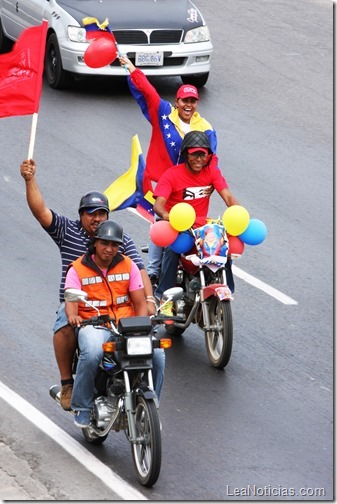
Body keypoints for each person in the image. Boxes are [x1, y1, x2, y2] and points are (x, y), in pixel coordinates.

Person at [20, 159, 161, 411]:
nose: (97, 218)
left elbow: (140, 272)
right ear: (81, 215)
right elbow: (40, 211)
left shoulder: (119, 239)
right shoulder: (66, 230)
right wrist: (30, 180)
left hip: (116, 302)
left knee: (154, 347)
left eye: (101, 214)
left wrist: (149, 301)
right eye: (91, 213)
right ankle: (67, 384)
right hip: (79, 303)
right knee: (64, 321)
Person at [118, 55, 217, 287]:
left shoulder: (206, 128)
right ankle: (153, 273)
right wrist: (131, 68)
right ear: (177, 101)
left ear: (197, 103)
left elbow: (212, 160)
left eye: (193, 101)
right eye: (184, 101)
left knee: (193, 231)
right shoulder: (163, 114)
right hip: (163, 184)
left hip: (190, 189)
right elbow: (149, 91)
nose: (188, 105)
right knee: (160, 224)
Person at [65, 220, 152, 427]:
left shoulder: (129, 266)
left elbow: (140, 303)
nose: (109, 249)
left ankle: (149, 403)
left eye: (114, 245)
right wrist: (74, 316)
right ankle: (82, 407)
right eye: (105, 243)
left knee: (156, 353)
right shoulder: (77, 269)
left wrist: (141, 328)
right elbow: (71, 305)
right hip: (94, 325)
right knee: (93, 350)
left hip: (125, 325)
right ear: (95, 243)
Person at [152, 130, 240, 307]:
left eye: (203, 155)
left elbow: (228, 197)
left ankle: (227, 287)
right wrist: (168, 216)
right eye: (194, 155)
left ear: (208, 156)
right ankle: (165, 298)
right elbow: (158, 205)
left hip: (202, 227)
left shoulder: (212, 173)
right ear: (186, 154)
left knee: (225, 245)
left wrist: (238, 213)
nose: (199, 159)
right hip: (178, 226)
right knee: (173, 249)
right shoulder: (172, 175)